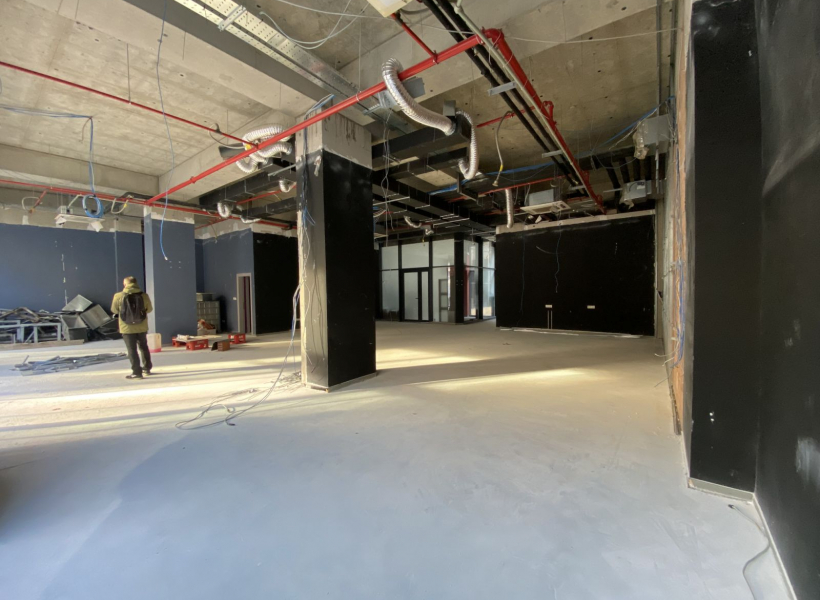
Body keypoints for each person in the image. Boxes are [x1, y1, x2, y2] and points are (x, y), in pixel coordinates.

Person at [111, 276, 154, 380]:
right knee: (143, 347)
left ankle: (136, 373)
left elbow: (114, 310)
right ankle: (147, 368)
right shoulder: (144, 295)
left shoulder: (118, 296)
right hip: (141, 326)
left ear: (125, 284)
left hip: (126, 328)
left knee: (132, 349)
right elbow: (149, 309)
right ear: (136, 283)